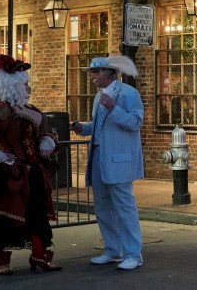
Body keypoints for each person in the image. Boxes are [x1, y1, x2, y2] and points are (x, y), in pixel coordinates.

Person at [0, 54, 61, 275]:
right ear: (12, 87)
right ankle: (2, 259)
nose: (28, 88)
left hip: (35, 171)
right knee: (7, 217)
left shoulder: (32, 111)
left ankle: (39, 255)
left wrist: (47, 140)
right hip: (12, 173)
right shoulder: (1, 110)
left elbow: (44, 131)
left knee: (36, 214)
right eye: (24, 84)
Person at [71, 54, 145, 271]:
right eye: (92, 72)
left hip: (119, 161)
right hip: (99, 159)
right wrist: (83, 128)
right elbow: (99, 125)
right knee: (103, 207)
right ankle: (113, 250)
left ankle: (133, 253)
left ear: (110, 73)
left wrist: (114, 107)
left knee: (125, 208)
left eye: (95, 72)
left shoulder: (128, 93)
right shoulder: (99, 96)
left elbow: (135, 122)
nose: (92, 76)